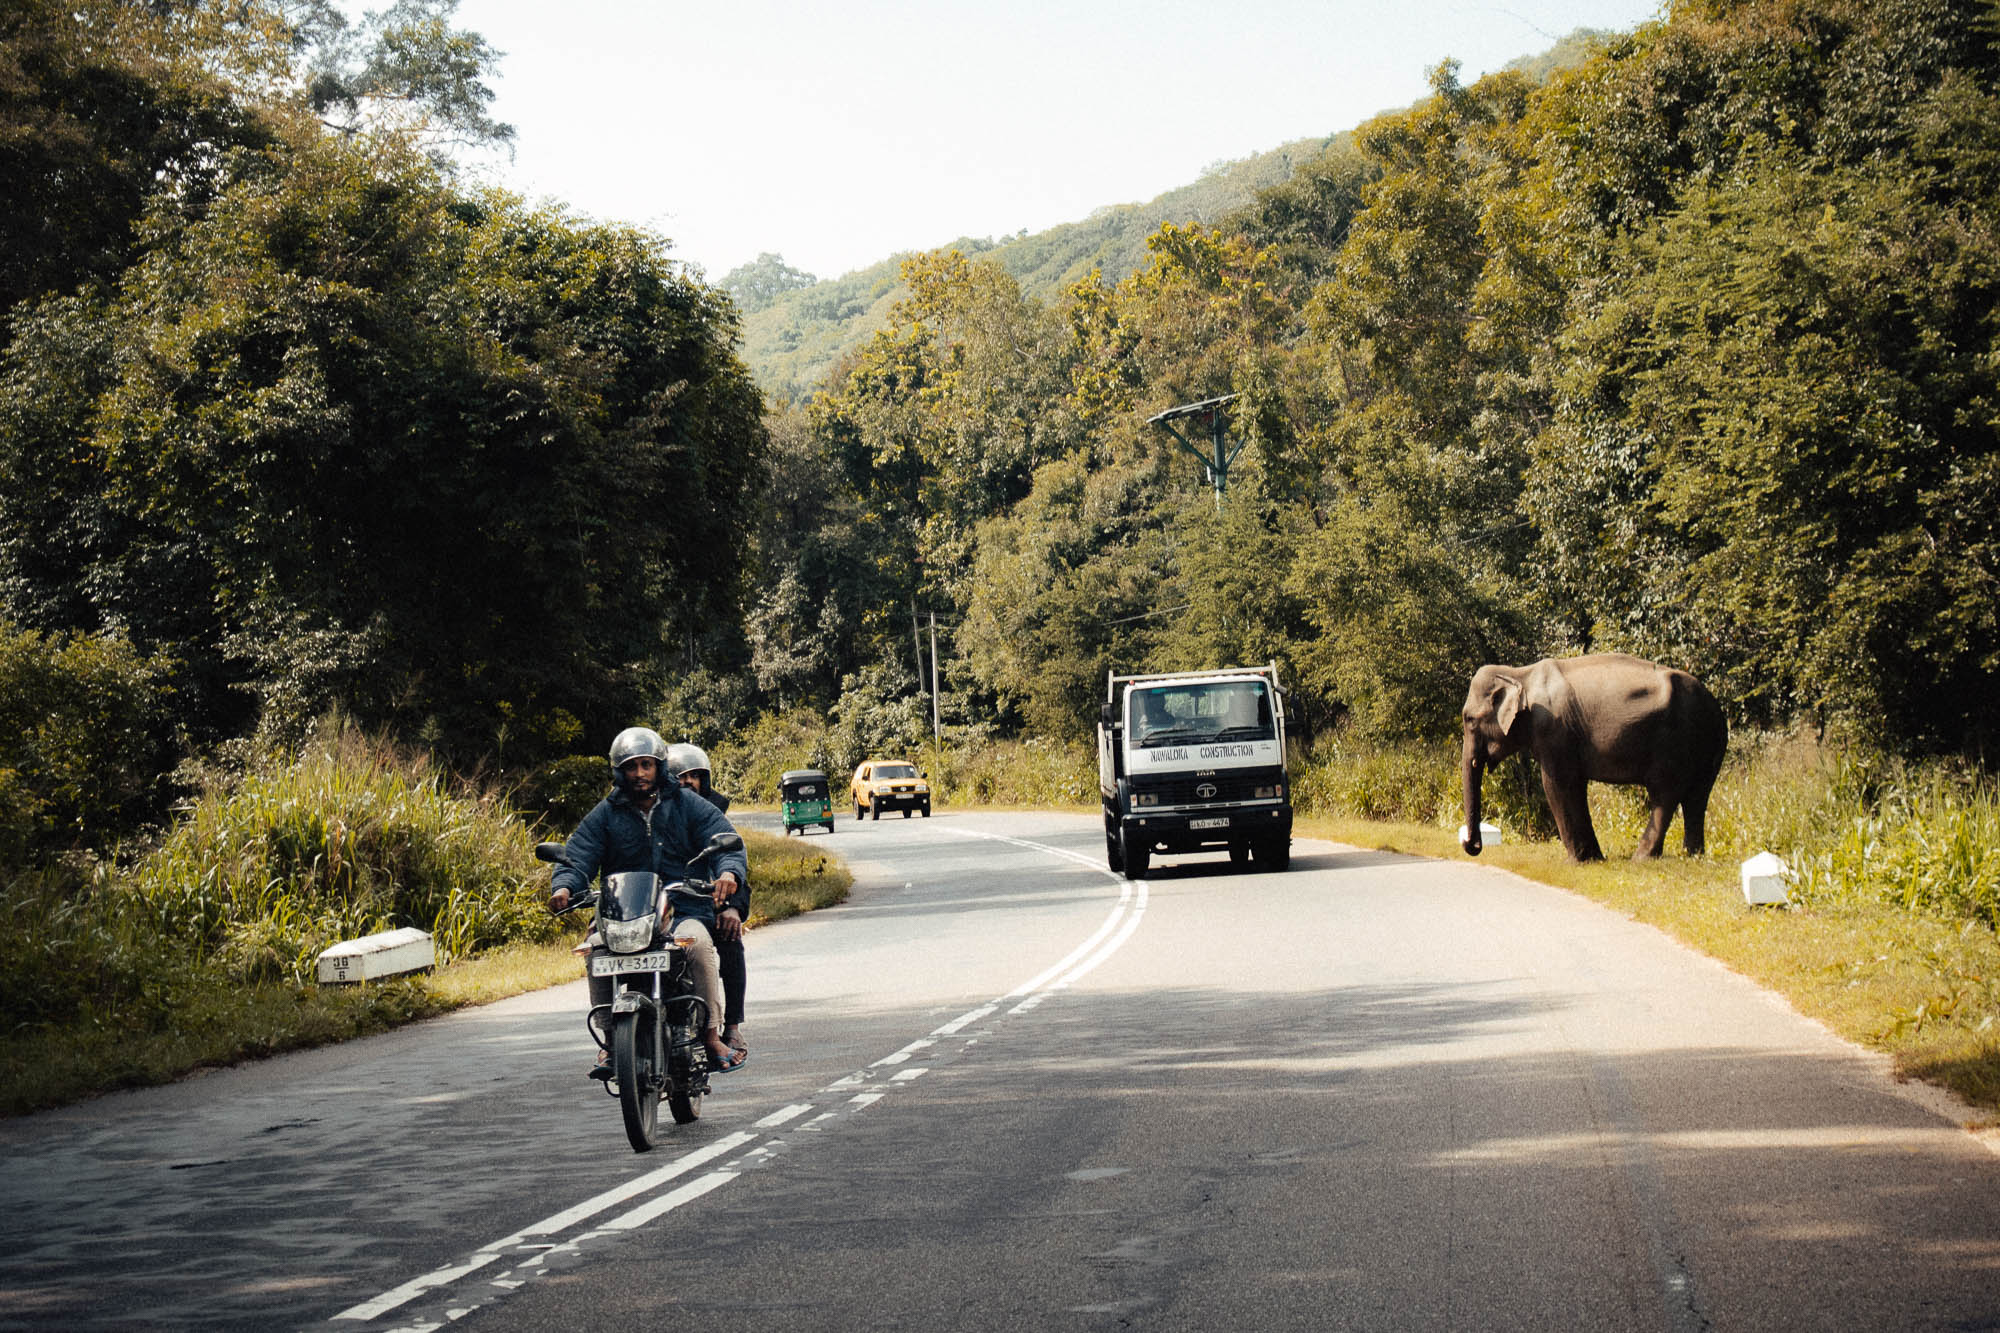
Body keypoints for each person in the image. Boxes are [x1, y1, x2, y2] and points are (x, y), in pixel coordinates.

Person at [551, 727, 749, 1075]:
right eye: (632, 766)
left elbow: (724, 838)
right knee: (595, 948)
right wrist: (564, 887)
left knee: (700, 945)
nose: (640, 773)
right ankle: (611, 1042)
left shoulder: (688, 804)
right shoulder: (606, 813)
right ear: (619, 771)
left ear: (659, 766)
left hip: (683, 910)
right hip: (623, 915)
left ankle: (711, 1034)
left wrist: (729, 872)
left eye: (646, 764)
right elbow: (579, 853)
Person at [667, 741, 749, 1059]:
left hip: (702, 906)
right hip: (655, 910)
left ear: (704, 780)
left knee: (729, 937)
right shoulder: (652, 813)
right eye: (679, 776)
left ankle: (729, 1026)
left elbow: (730, 858)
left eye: (693, 776)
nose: (687, 782)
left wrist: (731, 906)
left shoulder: (710, 815)